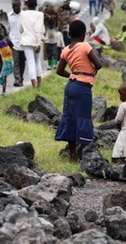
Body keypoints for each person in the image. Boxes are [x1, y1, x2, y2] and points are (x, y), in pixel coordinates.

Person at [55, 20, 103, 162]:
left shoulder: (66, 50)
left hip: (71, 86)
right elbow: (99, 64)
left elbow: (59, 70)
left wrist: (71, 75)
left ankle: (72, 156)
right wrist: (91, 71)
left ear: (69, 34)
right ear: (83, 35)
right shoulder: (85, 46)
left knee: (70, 118)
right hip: (83, 88)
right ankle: (83, 153)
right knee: (83, 117)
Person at [19, 0, 45, 88]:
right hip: (36, 40)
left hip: (26, 41)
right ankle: (39, 85)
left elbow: (20, 29)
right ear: (36, 5)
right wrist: (38, 43)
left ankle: (34, 86)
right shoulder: (40, 15)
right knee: (37, 62)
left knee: (30, 63)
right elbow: (40, 30)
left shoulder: (23, 14)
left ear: (27, 4)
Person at [8, 0, 25, 87]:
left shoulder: (25, 15)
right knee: (16, 62)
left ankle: (21, 78)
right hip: (13, 42)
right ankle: (17, 79)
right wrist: (8, 40)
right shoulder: (9, 16)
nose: (15, 8)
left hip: (24, 42)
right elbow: (7, 29)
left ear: (20, 5)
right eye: (13, 6)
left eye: (17, 6)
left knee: (22, 62)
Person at [0, 24, 14, 94]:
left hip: (3, 60)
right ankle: (2, 90)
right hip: (5, 60)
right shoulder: (6, 40)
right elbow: (12, 46)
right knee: (3, 75)